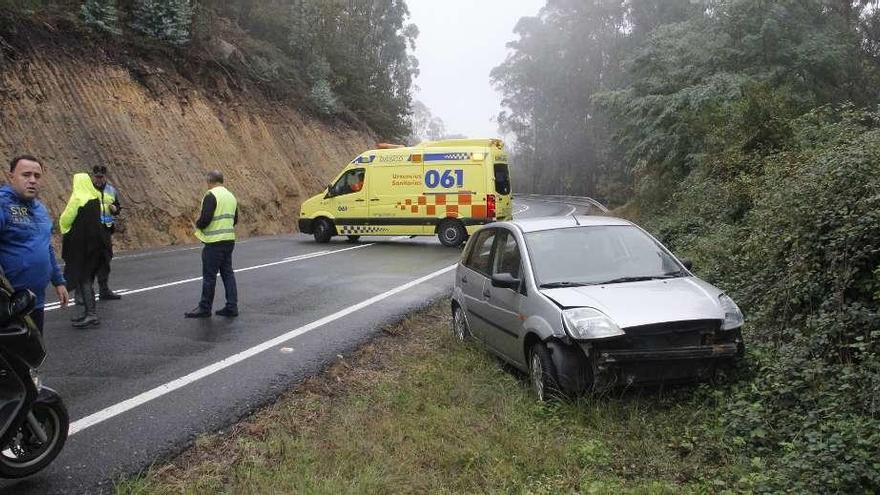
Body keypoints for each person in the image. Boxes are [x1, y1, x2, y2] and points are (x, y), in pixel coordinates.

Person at [0, 155, 69, 332]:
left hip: (34, 301)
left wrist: (59, 282)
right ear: (11, 177)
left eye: (37, 176)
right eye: (26, 175)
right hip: (7, 305)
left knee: (33, 354)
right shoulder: (3, 205)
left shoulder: (40, 209)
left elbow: (46, 248)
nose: (32, 180)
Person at [60, 173, 111, 328]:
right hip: (96, 244)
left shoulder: (78, 198)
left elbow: (65, 219)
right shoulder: (94, 197)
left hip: (82, 244)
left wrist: (64, 229)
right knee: (87, 278)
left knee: (84, 279)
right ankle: (89, 312)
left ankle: (91, 314)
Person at [185, 170, 239, 318]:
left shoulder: (211, 195)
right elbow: (235, 219)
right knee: (228, 273)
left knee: (209, 276)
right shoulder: (231, 196)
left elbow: (206, 218)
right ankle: (232, 306)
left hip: (214, 242)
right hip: (229, 240)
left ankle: (205, 308)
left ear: (210, 181)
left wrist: (198, 224)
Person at [91, 165, 122, 300]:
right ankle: (86, 293)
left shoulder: (111, 190)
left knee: (105, 259)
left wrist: (115, 209)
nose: (99, 179)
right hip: (91, 230)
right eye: (97, 176)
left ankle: (104, 290)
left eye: (101, 176)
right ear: (93, 176)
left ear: (105, 177)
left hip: (106, 230)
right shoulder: (88, 190)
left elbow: (118, 207)